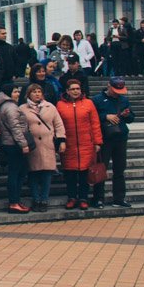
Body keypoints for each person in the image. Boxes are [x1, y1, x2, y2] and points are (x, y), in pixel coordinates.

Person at [55, 78, 102, 211]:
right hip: (68, 144)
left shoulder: (88, 103)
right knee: (69, 173)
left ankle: (83, 198)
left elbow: (95, 123)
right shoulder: (60, 105)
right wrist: (60, 141)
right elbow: (57, 124)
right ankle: (71, 198)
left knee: (84, 173)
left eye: (78, 89)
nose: (75, 91)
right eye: (72, 89)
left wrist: (97, 141)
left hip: (86, 143)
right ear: (67, 91)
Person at [20, 82, 65, 212]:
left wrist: (62, 140)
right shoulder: (22, 108)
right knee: (33, 173)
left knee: (47, 173)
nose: (37, 94)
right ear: (28, 94)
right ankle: (36, 199)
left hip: (47, 144)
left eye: (39, 92)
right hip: (32, 145)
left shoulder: (50, 107)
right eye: (34, 92)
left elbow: (59, 124)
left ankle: (44, 199)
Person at [91, 76, 134, 209]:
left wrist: (127, 115)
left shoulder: (123, 100)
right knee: (101, 169)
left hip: (120, 137)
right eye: (115, 90)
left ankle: (119, 198)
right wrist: (105, 116)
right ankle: (98, 198)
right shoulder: (97, 99)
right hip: (105, 138)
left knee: (119, 169)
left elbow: (131, 118)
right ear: (108, 86)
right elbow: (91, 117)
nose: (117, 93)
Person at [0, 84, 32, 213]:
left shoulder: (3, 105)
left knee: (17, 173)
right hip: (14, 144)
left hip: (9, 142)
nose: (18, 94)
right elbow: (15, 127)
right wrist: (23, 144)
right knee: (16, 174)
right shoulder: (10, 107)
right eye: (15, 92)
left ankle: (15, 201)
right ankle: (14, 202)